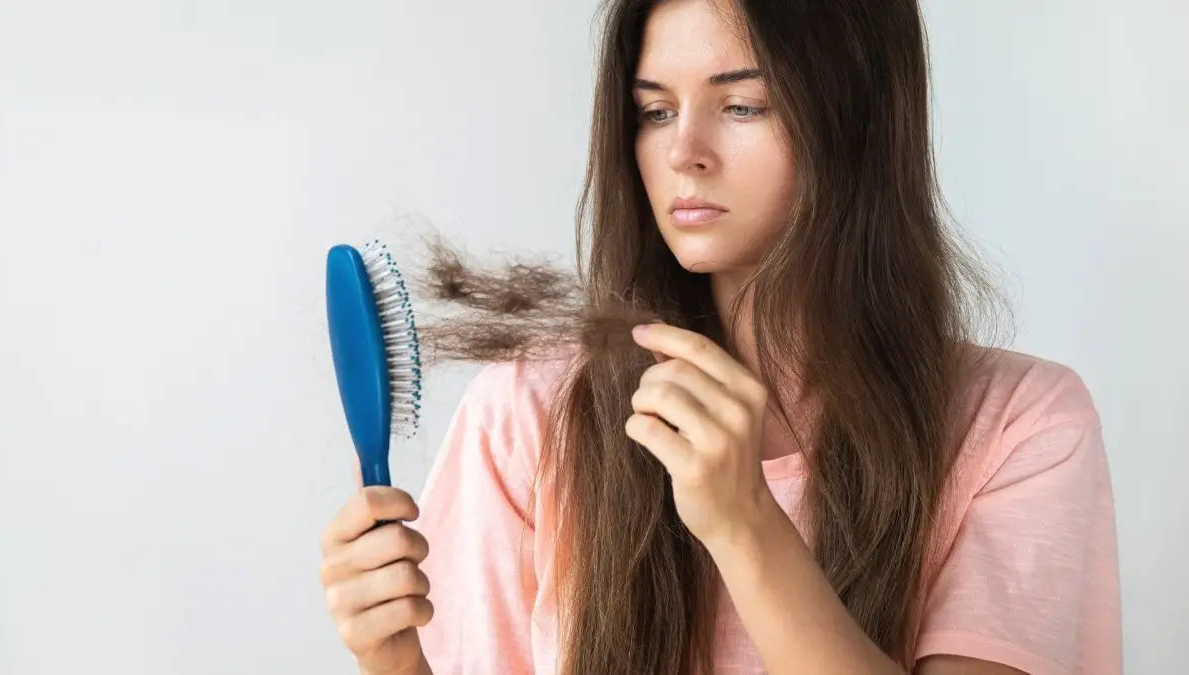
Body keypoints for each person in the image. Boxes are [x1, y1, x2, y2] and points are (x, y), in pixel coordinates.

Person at [317, 0, 1122, 673]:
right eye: (655, 110)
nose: (683, 153)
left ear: (856, 118)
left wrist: (745, 522)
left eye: (742, 105)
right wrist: (396, 663)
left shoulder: (1019, 424)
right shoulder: (529, 413)